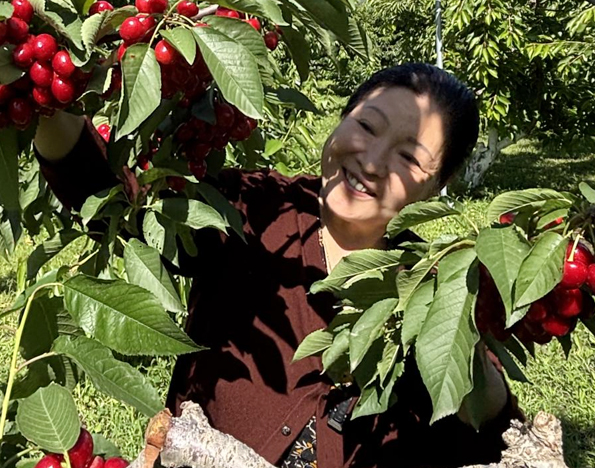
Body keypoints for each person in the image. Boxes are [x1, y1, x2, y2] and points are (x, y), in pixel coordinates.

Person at [34, 62, 521, 468]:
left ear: (437, 186)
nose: (372, 160)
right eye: (367, 126)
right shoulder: (253, 208)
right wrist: (44, 94)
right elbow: (115, 200)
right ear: (342, 119)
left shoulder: (430, 286)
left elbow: (489, 431)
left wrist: (458, 334)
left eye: (409, 158)